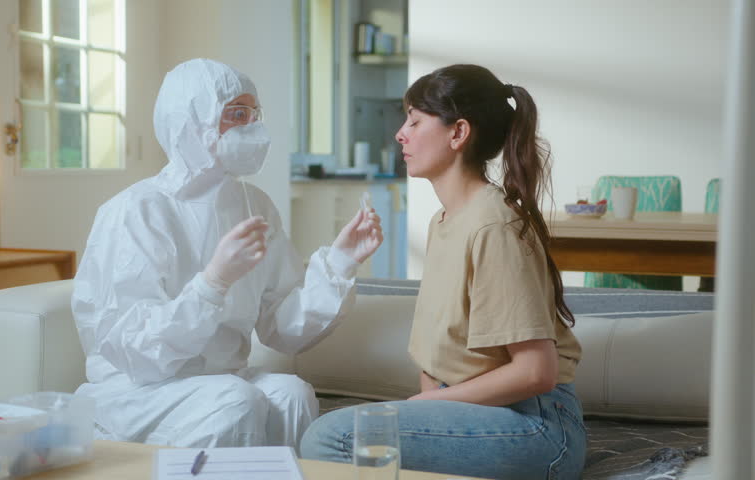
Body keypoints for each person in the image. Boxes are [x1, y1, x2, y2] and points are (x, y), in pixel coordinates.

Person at [71, 59, 383, 450]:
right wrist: (213, 283)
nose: (253, 127)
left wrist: (340, 262)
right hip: (138, 388)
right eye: (237, 114)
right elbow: (133, 348)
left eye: (254, 114)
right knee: (235, 400)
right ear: (193, 121)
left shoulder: (255, 205)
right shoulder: (137, 210)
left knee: (293, 394)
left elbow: (280, 328)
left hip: (219, 381)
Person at [300, 64, 586, 479]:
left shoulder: (493, 225)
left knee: (332, 438)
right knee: (344, 432)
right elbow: (438, 360)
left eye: (415, 121)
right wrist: (424, 409)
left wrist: (419, 409)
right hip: (476, 412)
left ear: (458, 133)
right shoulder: (444, 221)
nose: (401, 133)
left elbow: (536, 372)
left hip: (537, 427)